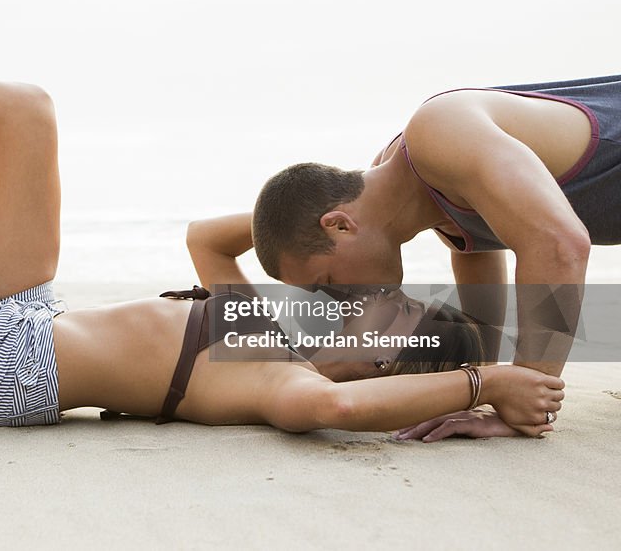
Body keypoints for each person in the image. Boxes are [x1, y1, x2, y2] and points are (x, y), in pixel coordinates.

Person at [0, 7, 563, 439]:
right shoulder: (264, 325)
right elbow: (207, 235)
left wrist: (481, 386)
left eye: (376, 324)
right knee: (27, 110)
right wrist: (378, 204)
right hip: (28, 320)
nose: (352, 309)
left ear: (383, 367)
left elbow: (332, 407)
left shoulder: (280, 382)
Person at [212, 75, 620, 438]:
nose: (343, 302)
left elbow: (559, 245)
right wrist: (480, 381)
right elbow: (477, 251)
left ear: (339, 225)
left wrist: (526, 398)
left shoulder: (439, 130)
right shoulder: (413, 184)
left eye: (329, 283)